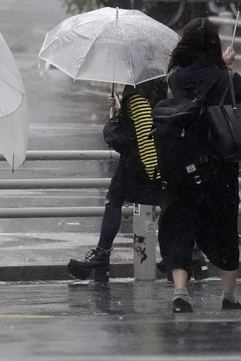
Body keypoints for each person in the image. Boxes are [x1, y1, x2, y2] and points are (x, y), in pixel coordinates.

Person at [157, 18, 241, 313]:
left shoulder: (174, 80)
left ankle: (181, 292)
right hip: (220, 165)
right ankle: (228, 296)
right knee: (224, 228)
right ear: (216, 47)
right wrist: (225, 70)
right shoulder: (230, 80)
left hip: (182, 163)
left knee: (179, 226)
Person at [66, 79, 167, 280]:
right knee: (163, 203)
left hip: (139, 161)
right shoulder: (157, 84)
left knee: (115, 201)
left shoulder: (139, 89)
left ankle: (102, 255)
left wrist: (153, 171)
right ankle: (182, 254)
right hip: (148, 158)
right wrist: (121, 107)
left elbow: (145, 129)